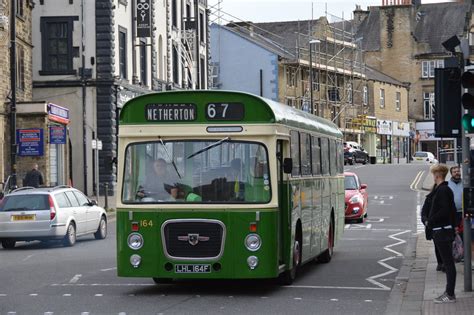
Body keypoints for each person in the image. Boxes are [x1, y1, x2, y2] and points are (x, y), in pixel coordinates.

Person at [426, 164, 457, 303]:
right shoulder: (441, 189)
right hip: (442, 230)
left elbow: (444, 211)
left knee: (448, 263)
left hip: (442, 230)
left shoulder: (443, 190)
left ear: (437, 175)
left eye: (434, 174)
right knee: (448, 263)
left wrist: (430, 221)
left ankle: (450, 294)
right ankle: (449, 292)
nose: (433, 176)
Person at [421, 184, 444, 272]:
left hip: (444, 226)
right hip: (433, 226)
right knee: (437, 245)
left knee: (444, 245)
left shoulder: (444, 199)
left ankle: (444, 263)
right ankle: (440, 263)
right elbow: (424, 212)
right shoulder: (429, 199)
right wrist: (426, 221)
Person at [447, 166, 463, 238]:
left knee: (463, 234)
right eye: (455, 172)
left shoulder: (465, 183)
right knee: (454, 235)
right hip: (452, 213)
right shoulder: (447, 184)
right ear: (451, 174)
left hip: (463, 213)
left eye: (458, 171)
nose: (457, 173)